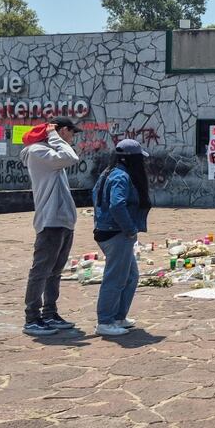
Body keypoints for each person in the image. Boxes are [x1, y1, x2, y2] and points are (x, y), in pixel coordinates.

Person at [20, 116, 83, 337]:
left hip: (63, 220)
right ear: (62, 130)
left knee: (55, 272)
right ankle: (32, 318)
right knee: (41, 271)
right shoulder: (39, 152)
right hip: (50, 221)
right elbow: (71, 157)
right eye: (71, 132)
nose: (72, 137)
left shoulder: (51, 154)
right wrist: (54, 135)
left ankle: (49, 313)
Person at [92, 139, 151, 337]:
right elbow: (117, 205)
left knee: (131, 276)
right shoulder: (121, 177)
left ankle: (118, 317)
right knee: (116, 278)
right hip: (116, 233)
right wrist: (130, 228)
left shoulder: (108, 172)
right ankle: (105, 321)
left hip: (109, 231)